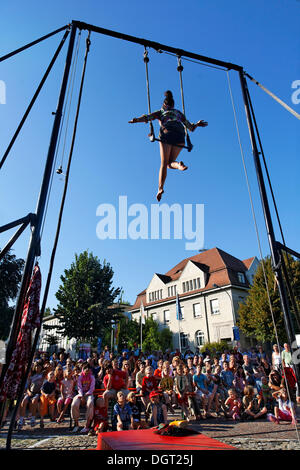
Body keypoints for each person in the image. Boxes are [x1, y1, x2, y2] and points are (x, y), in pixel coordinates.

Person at [129, 90, 208, 201]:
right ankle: (179, 165)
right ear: (173, 105)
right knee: (170, 164)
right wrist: (198, 124)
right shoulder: (179, 113)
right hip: (180, 135)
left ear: (163, 105)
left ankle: (160, 188)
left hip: (167, 132)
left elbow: (147, 118)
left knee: (163, 163)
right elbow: (191, 128)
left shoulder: (160, 112)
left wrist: (136, 120)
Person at [18, 362, 44, 429]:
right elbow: (28, 387)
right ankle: (21, 419)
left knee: (34, 401)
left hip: (38, 392)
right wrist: (29, 392)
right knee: (24, 401)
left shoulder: (43, 375)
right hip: (31, 392)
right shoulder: (32, 376)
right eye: (36, 366)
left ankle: (33, 418)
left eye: (39, 366)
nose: (37, 368)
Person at [71, 363, 95, 433]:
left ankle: (87, 425)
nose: (87, 370)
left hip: (89, 394)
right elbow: (79, 387)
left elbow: (92, 388)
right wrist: (81, 396)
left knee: (90, 403)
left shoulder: (92, 377)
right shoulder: (80, 377)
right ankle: (76, 424)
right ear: (83, 369)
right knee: (74, 404)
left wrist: (86, 395)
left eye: (88, 368)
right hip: (81, 394)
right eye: (85, 368)